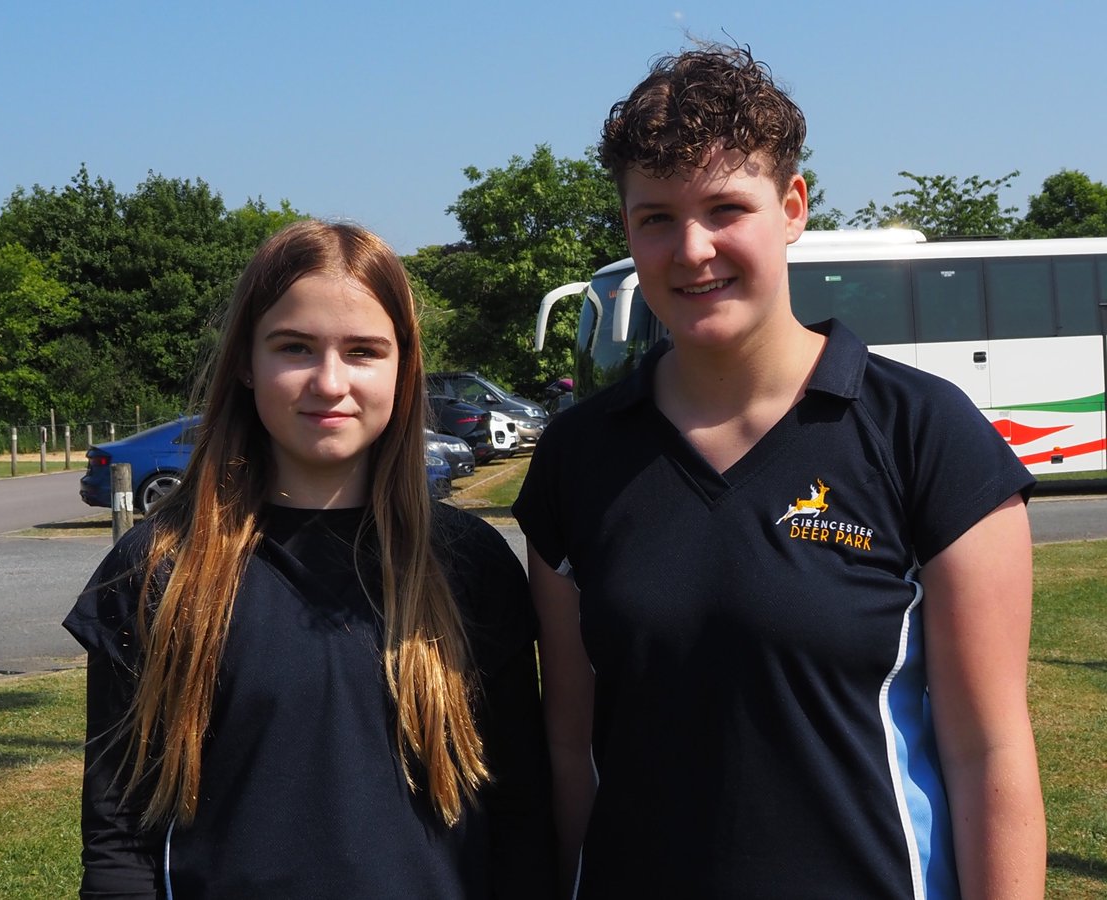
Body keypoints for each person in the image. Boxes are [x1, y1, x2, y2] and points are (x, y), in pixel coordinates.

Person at [513, 44, 1046, 899]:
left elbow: (990, 751)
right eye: (656, 217)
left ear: (793, 207)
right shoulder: (579, 458)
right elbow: (571, 750)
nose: (693, 250)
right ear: (627, 230)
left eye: (726, 207)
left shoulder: (924, 433)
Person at [65, 220, 555, 898]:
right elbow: (120, 845)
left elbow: (524, 819)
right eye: (295, 347)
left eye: (363, 351)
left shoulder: (468, 566)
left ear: (403, 366)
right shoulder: (157, 571)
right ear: (246, 360)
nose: (330, 382)